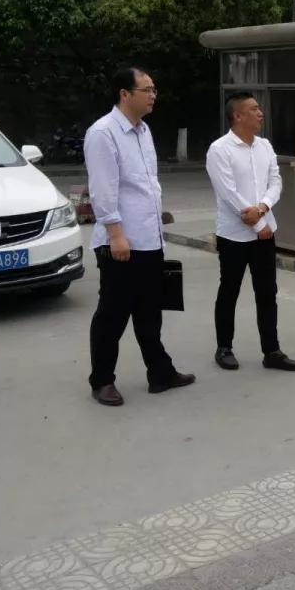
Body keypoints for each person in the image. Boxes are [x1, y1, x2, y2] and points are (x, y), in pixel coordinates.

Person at [83, 67, 195, 406]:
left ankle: (160, 373)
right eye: (147, 90)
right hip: (122, 242)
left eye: (154, 89)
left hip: (150, 239)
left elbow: (145, 184)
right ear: (124, 94)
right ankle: (102, 380)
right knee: (112, 314)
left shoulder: (144, 131)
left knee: (150, 312)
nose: (153, 95)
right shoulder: (103, 133)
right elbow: (103, 190)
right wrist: (115, 234)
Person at [206, 92, 295, 373]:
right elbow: (228, 193)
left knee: (267, 292)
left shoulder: (265, 146)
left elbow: (276, 182)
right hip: (234, 235)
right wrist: (259, 223)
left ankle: (272, 351)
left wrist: (263, 208)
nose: (261, 113)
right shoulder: (220, 149)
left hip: (265, 233)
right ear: (237, 116)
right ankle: (224, 348)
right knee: (229, 290)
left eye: (260, 109)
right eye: (254, 109)